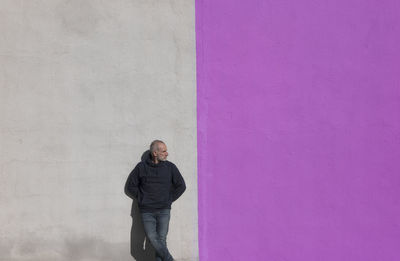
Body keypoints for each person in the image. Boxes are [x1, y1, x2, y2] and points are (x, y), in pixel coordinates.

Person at [125, 140, 186, 261]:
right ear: (155, 153)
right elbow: (130, 186)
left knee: (161, 240)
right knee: (153, 238)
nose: (167, 153)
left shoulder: (170, 167)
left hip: (164, 210)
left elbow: (181, 185)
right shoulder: (141, 167)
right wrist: (143, 198)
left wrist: (169, 199)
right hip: (147, 211)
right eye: (163, 151)